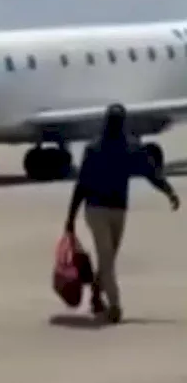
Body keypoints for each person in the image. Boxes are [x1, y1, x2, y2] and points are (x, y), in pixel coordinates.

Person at [65, 103, 180, 323]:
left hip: (115, 210)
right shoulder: (97, 148)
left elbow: (149, 171)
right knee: (107, 257)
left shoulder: (127, 147)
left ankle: (97, 294)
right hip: (98, 211)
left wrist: (169, 191)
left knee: (108, 258)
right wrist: (70, 218)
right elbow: (82, 185)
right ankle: (115, 306)